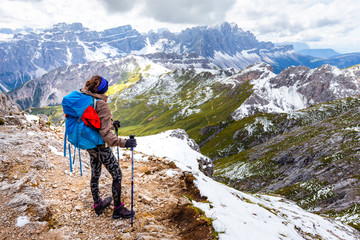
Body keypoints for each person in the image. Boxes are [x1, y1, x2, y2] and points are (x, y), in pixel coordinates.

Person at [80, 75, 137, 219]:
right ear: (103, 90)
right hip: (101, 145)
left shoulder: (85, 97)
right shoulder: (101, 104)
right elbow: (105, 134)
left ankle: (97, 203)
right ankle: (118, 209)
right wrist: (125, 143)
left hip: (90, 143)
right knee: (117, 174)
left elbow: (93, 121)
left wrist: (110, 124)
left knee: (95, 173)